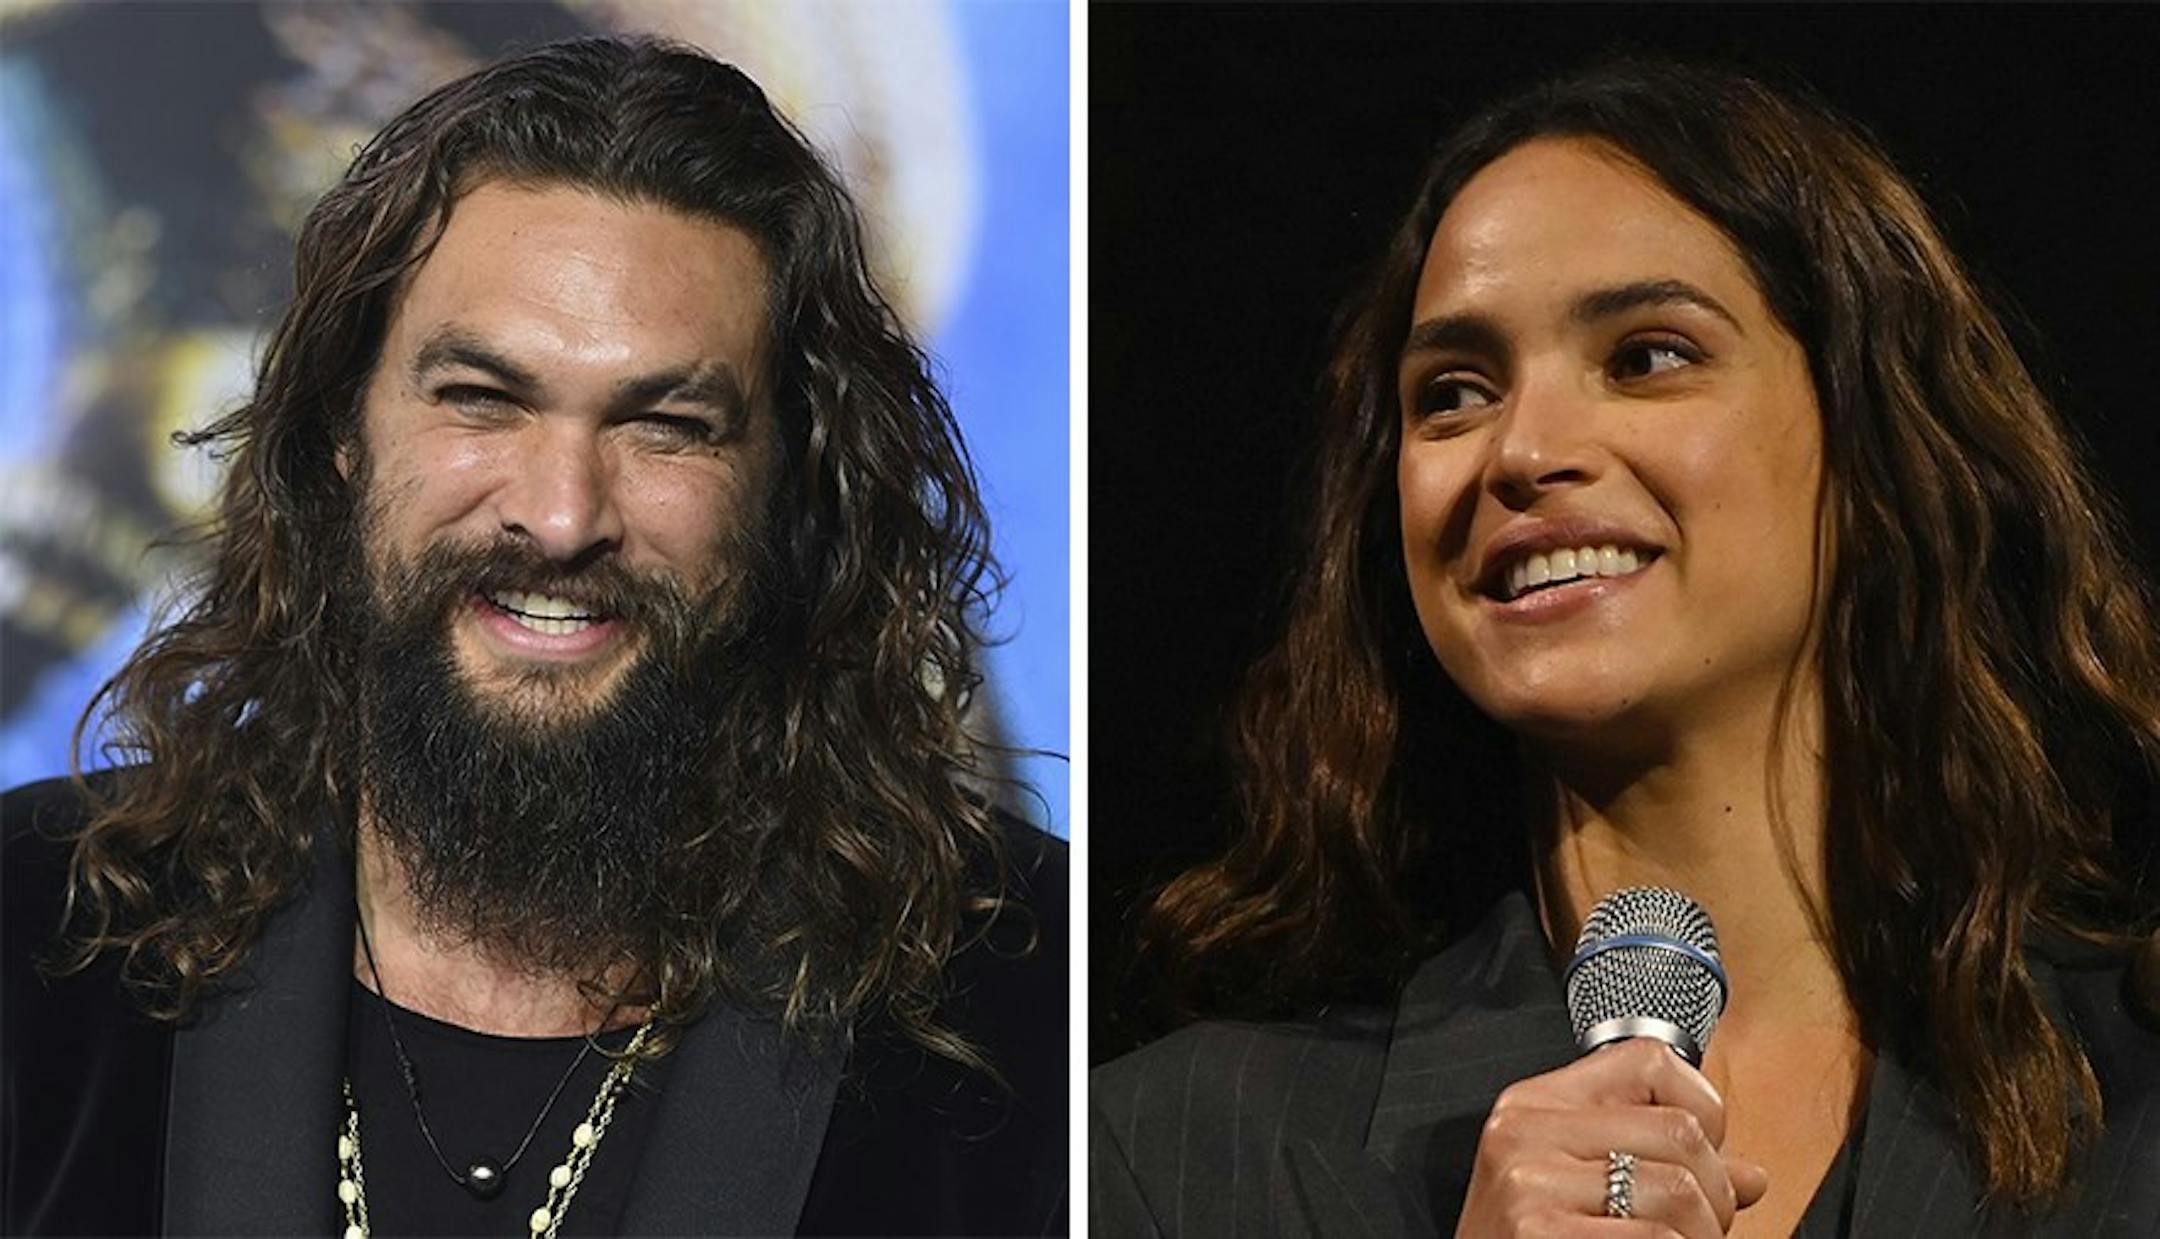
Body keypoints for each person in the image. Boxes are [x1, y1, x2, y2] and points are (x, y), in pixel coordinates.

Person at [1, 36, 1065, 1237]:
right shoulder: (35, 937)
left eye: (668, 424)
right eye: (480, 399)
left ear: (794, 487)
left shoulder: (1032, 1008)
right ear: (342, 432)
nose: (560, 516)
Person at [1091, 58, 2160, 1237]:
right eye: (1451, 392)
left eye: (1648, 356)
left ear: (1871, 440)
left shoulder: (2135, 1097)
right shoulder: (1173, 1157)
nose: (1521, 450)